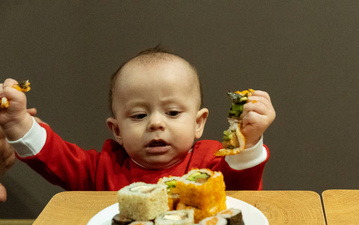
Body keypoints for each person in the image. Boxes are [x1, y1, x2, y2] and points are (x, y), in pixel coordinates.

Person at [0, 47, 275, 192]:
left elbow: (242, 189)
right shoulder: (103, 169)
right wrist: (16, 123)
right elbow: (55, 157)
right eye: (139, 115)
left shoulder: (212, 164)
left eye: (173, 113)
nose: (156, 123)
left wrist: (247, 143)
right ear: (117, 130)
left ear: (198, 123)